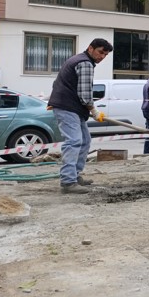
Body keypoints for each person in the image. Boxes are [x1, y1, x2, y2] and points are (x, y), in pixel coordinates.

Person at [48, 38, 113, 194]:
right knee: (74, 141)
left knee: (84, 140)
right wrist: (94, 111)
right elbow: (85, 94)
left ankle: (75, 175)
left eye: (105, 55)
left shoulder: (77, 59)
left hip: (71, 107)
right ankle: (68, 181)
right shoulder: (85, 63)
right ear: (90, 48)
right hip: (67, 107)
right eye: (100, 52)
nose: (102, 57)